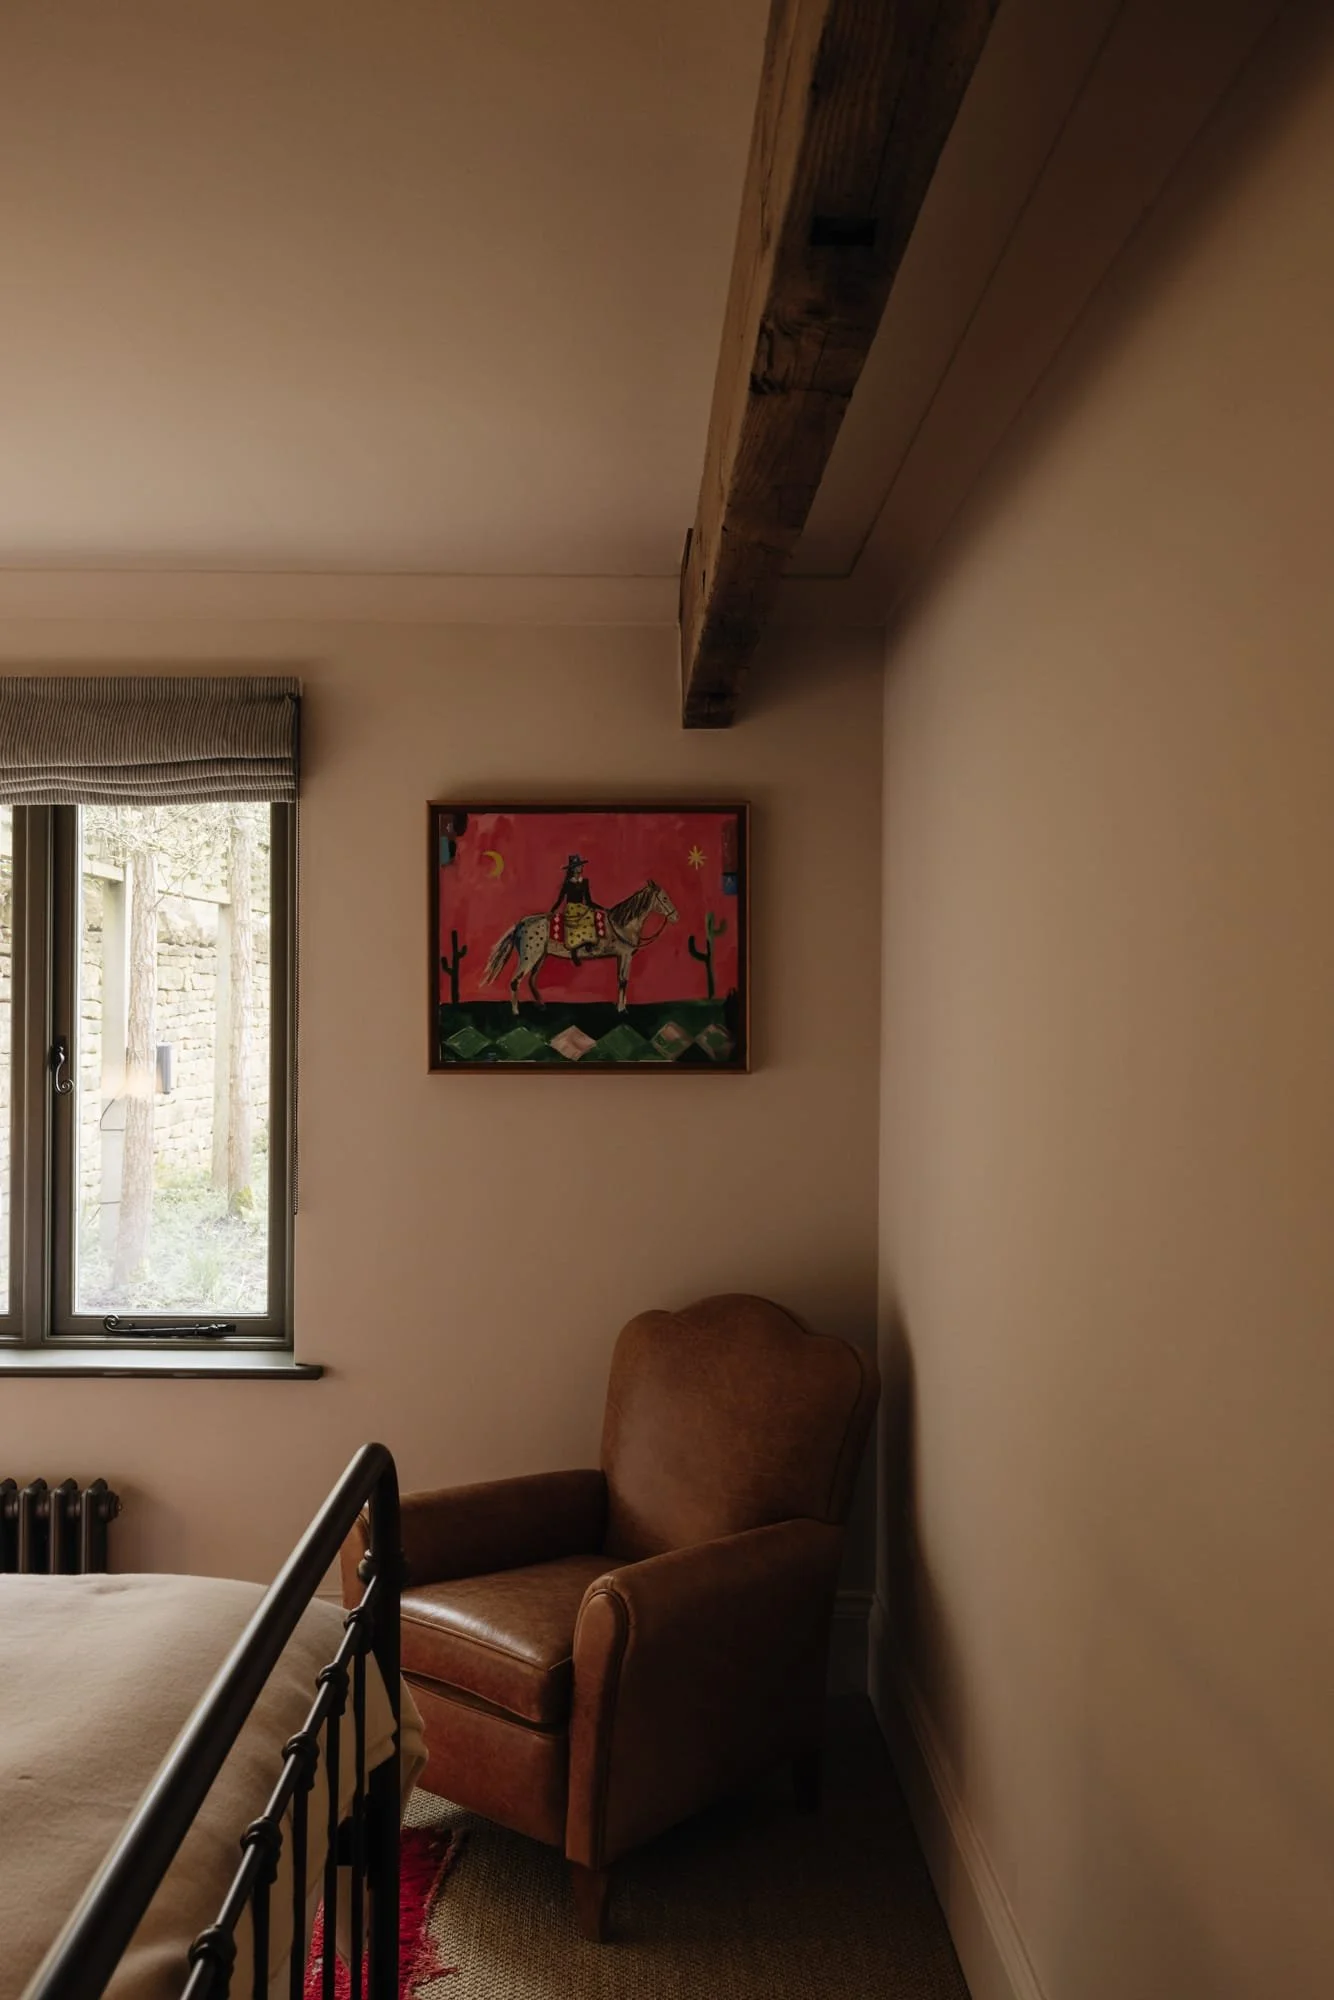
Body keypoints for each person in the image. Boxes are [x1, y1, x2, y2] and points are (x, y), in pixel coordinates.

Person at [550, 853, 597, 964]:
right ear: (573, 869)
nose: (581, 867)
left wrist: (600, 908)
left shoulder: (585, 882)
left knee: (590, 916)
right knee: (573, 923)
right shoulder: (567, 884)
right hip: (571, 908)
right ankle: (574, 951)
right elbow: (560, 900)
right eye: (578, 866)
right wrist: (552, 911)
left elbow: (589, 900)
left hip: (581, 907)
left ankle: (588, 943)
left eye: (580, 865)